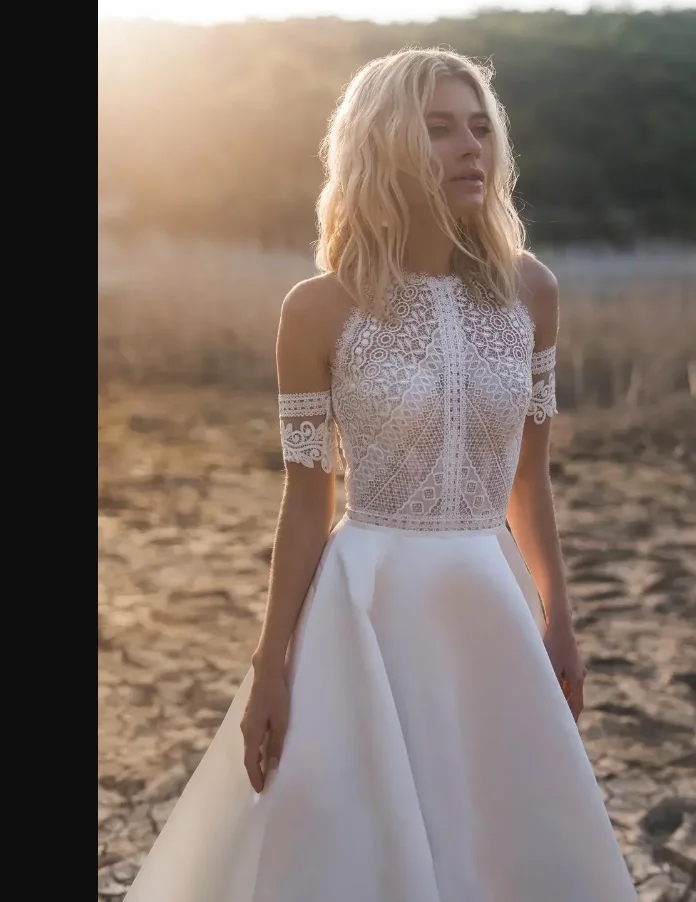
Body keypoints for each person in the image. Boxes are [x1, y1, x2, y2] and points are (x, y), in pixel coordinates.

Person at [124, 47, 638, 901]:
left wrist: (559, 620)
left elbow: (529, 479)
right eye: (437, 129)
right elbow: (305, 498)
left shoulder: (530, 293)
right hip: (365, 600)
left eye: (479, 129)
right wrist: (270, 664)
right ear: (382, 145)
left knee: (497, 830)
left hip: (488, 598)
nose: (469, 147)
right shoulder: (318, 309)